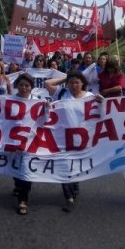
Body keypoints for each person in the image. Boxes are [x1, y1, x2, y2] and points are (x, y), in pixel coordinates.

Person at [45, 70, 103, 212]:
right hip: (63, 138)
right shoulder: (62, 94)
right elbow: (47, 83)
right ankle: (68, 198)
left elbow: (103, 114)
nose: (74, 85)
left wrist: (103, 102)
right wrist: (66, 78)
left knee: (76, 167)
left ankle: (74, 187)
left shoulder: (91, 97)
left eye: (77, 82)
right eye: (71, 82)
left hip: (83, 140)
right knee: (65, 167)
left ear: (83, 83)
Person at [11, 73, 37, 215]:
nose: (24, 88)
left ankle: (23, 200)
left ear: (31, 88)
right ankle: (18, 186)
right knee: (15, 168)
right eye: (21, 85)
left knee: (26, 170)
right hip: (13, 141)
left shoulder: (37, 101)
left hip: (31, 141)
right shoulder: (10, 100)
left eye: (27, 85)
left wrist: (46, 108)